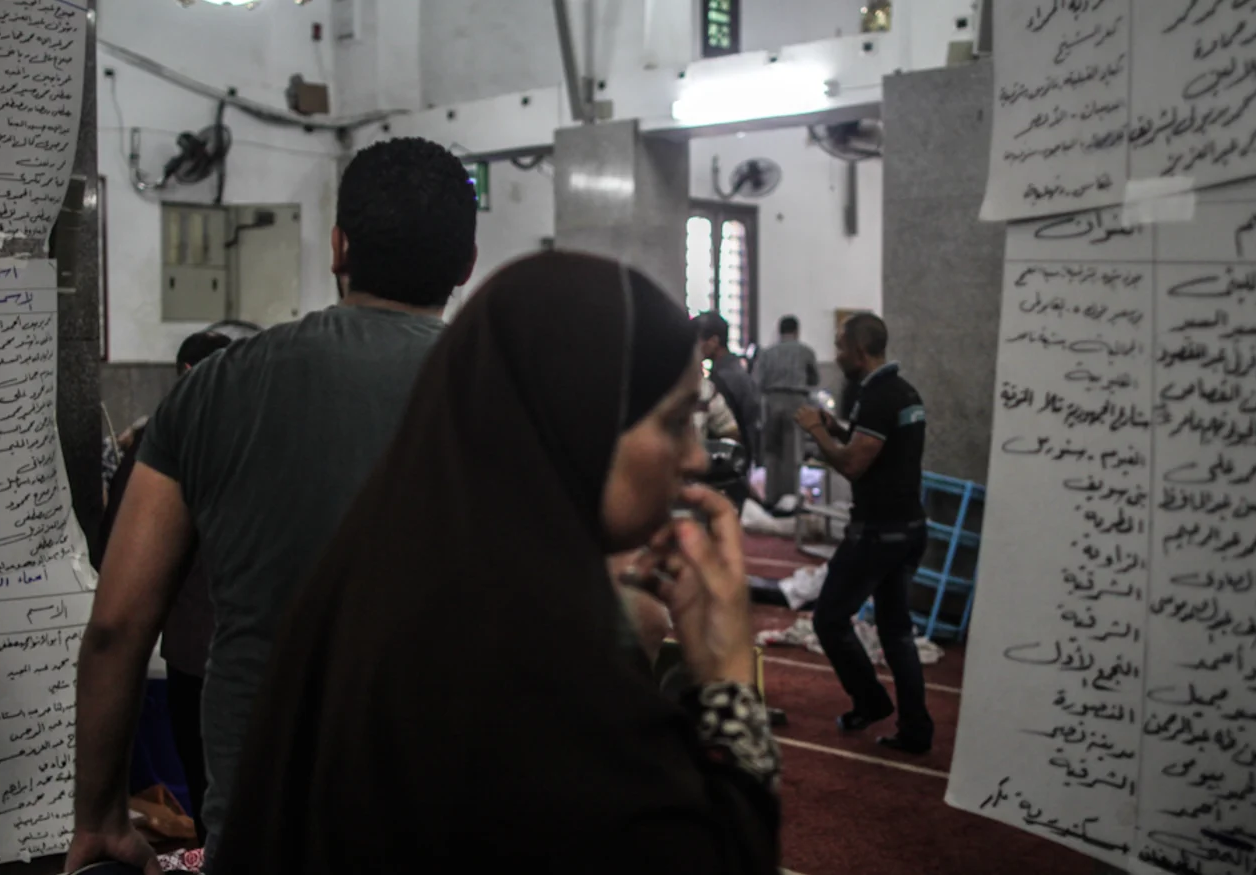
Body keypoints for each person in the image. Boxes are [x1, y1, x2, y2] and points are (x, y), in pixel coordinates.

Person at [210, 253, 780, 874]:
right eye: (675, 422)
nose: (696, 459)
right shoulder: (531, 659)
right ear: (577, 419)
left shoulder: (382, 571)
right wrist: (727, 685)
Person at [68, 136, 479, 873]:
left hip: (267, 831)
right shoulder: (515, 394)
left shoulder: (215, 388)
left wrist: (99, 815)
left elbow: (117, 625)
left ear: (337, 247)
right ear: (466, 265)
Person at [95, 330, 233, 844]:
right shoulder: (271, 438)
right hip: (264, 654)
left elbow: (116, 556)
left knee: (207, 799)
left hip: (194, 653)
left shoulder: (163, 442)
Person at [793, 313, 934, 755]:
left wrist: (816, 431)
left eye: (839, 346)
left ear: (859, 349)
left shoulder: (878, 396)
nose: (836, 355)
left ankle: (871, 700)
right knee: (896, 633)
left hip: (879, 532)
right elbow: (873, 446)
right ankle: (915, 729)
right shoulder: (902, 391)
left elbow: (854, 464)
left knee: (829, 619)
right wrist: (837, 429)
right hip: (908, 527)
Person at [753, 315, 818, 510]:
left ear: (780, 331)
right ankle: (789, 500)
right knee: (792, 452)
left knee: (772, 451)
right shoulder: (805, 351)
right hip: (795, 401)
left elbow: (757, 381)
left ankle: (771, 498)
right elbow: (814, 379)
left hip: (771, 402)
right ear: (797, 331)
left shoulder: (767, 353)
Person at [694, 312, 760, 465]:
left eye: (698, 340)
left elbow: (731, 428)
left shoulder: (725, 377)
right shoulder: (734, 371)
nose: (695, 346)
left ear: (714, 342)